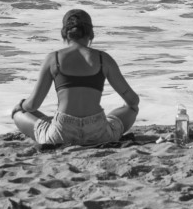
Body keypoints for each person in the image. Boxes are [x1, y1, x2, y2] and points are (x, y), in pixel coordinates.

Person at [12, 9, 139, 147]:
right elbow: (133, 101)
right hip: (98, 133)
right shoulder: (103, 59)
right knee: (131, 108)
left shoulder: (53, 59)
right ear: (90, 33)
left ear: (65, 32)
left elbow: (33, 105)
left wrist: (21, 105)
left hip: (62, 132)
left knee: (20, 112)